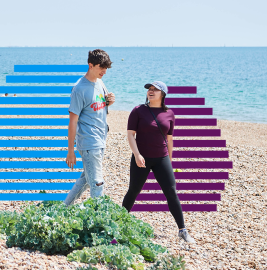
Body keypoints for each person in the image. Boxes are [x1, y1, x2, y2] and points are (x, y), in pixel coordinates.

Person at [122, 81, 196, 243]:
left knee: (171, 192)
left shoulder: (169, 113)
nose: (151, 91)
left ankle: (182, 230)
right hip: (141, 157)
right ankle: (118, 225)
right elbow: (130, 135)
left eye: (155, 90)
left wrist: (169, 159)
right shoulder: (138, 111)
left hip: (161, 158)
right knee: (133, 191)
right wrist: (137, 154)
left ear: (163, 94)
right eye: (149, 89)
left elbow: (169, 139)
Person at [64, 49, 115, 205]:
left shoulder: (100, 82)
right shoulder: (79, 89)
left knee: (87, 179)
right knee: (97, 183)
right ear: (90, 65)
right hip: (89, 142)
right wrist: (71, 151)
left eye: (106, 68)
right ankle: (99, 222)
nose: (104, 71)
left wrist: (110, 100)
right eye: (101, 68)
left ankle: (64, 208)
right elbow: (73, 121)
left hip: (100, 139)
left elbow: (103, 104)